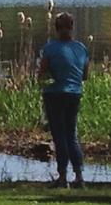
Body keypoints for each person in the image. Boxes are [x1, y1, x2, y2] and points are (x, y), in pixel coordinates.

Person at [38, 12, 89, 189]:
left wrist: (51, 76)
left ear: (56, 28)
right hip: (74, 94)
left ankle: (62, 178)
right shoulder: (81, 48)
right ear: (72, 27)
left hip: (55, 95)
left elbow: (41, 74)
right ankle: (80, 176)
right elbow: (85, 75)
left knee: (59, 137)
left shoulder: (50, 48)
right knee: (71, 135)